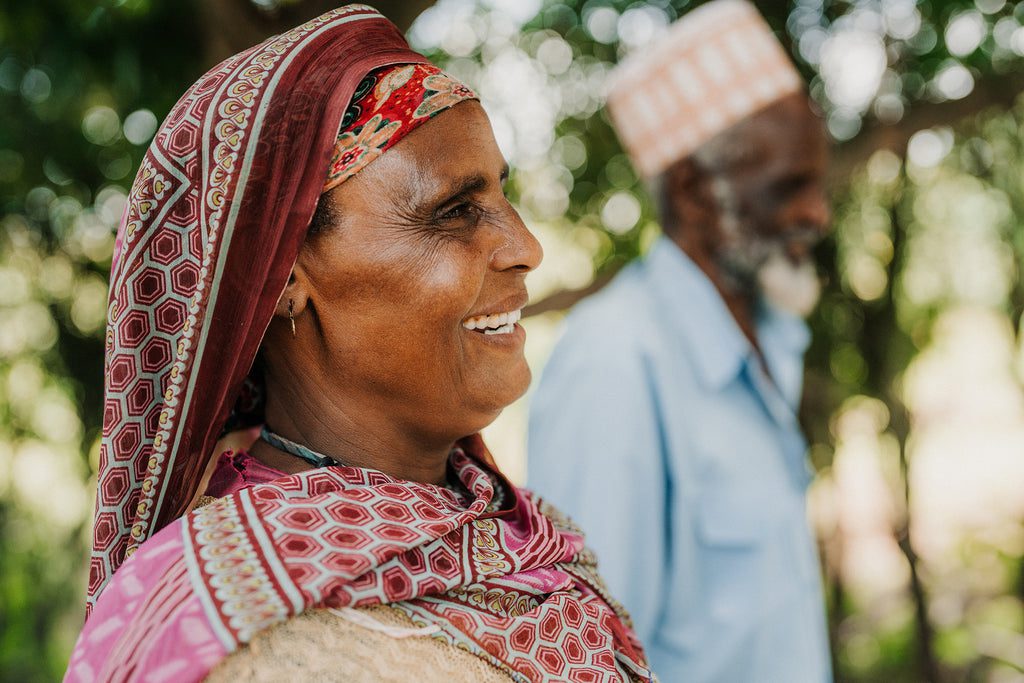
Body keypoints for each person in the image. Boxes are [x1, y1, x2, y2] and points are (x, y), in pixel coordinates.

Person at [64, 7, 653, 682]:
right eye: (455, 210)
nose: (527, 247)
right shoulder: (223, 623)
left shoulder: (520, 540)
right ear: (284, 275)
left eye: (502, 194)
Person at [528, 1, 833, 681]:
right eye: (790, 185)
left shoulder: (773, 333)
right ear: (696, 190)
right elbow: (590, 663)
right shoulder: (613, 365)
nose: (819, 212)